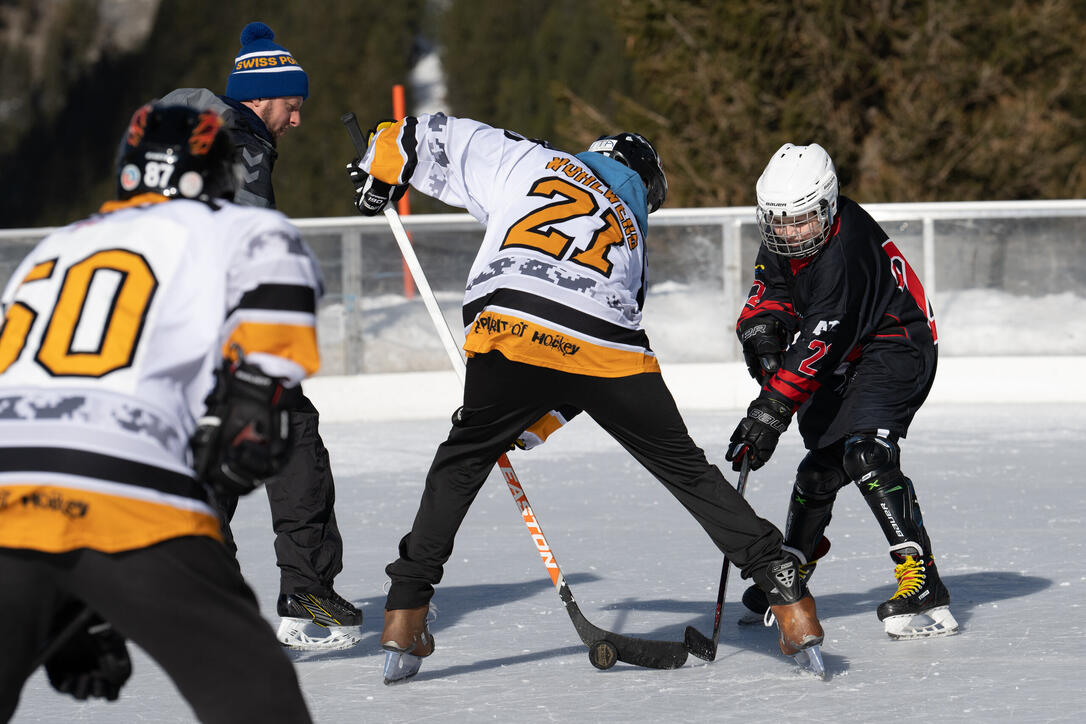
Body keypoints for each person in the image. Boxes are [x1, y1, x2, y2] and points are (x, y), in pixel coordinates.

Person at [345, 114, 826, 683]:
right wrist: (537, 421)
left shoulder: (529, 161)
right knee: (687, 472)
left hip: (512, 327)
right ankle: (787, 595)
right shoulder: (630, 228)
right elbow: (584, 367)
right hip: (606, 345)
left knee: (462, 460)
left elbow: (428, 134)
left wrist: (384, 168)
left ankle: (405, 613)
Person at [0, 104, 316, 722]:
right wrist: (254, 406)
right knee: (258, 700)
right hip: (130, 487)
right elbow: (270, 361)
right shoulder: (236, 226)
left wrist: (70, 600)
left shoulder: (52, 248)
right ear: (216, 172)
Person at [160, 21, 361, 650]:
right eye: (293, 106)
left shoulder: (182, 138)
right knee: (292, 439)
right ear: (262, 96)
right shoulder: (241, 141)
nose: (296, 121)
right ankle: (304, 594)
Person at [725, 142, 959, 640]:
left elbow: (815, 344)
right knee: (818, 472)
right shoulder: (790, 231)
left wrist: (769, 412)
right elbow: (770, 291)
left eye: (803, 222)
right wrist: (762, 333)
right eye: (779, 224)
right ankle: (793, 569)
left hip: (896, 342)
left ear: (828, 207)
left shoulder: (841, 253)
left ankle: (922, 578)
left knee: (866, 455)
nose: (790, 235)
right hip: (849, 350)